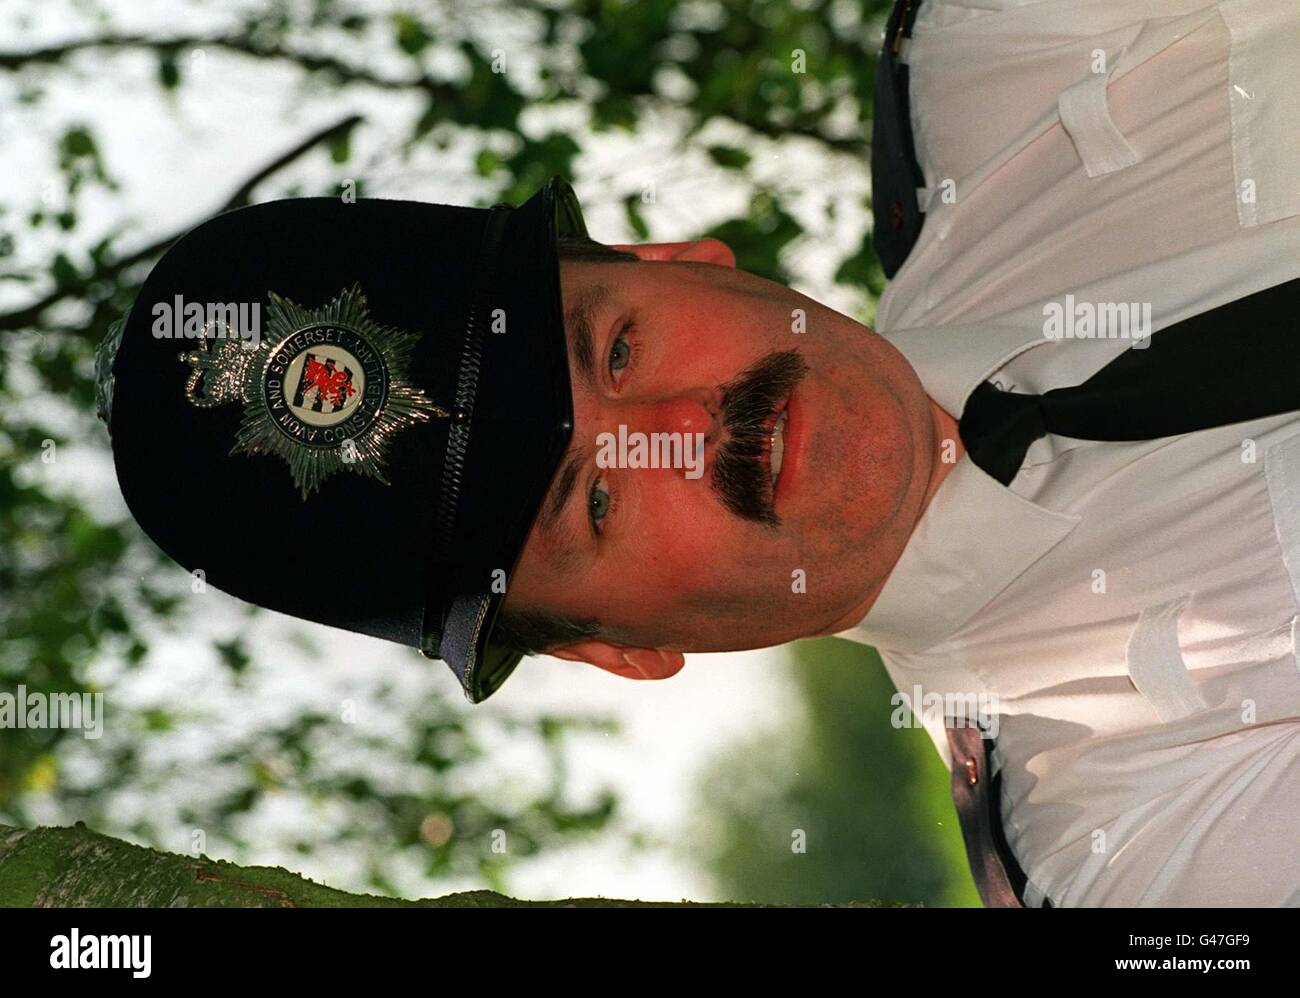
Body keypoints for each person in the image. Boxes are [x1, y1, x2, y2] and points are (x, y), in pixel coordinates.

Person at [100, 0, 1299, 908]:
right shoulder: (1122, 850)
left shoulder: (999, 57)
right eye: (597, 499)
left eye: (617, 348)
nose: (683, 431)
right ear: (619, 647)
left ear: (679, 260)